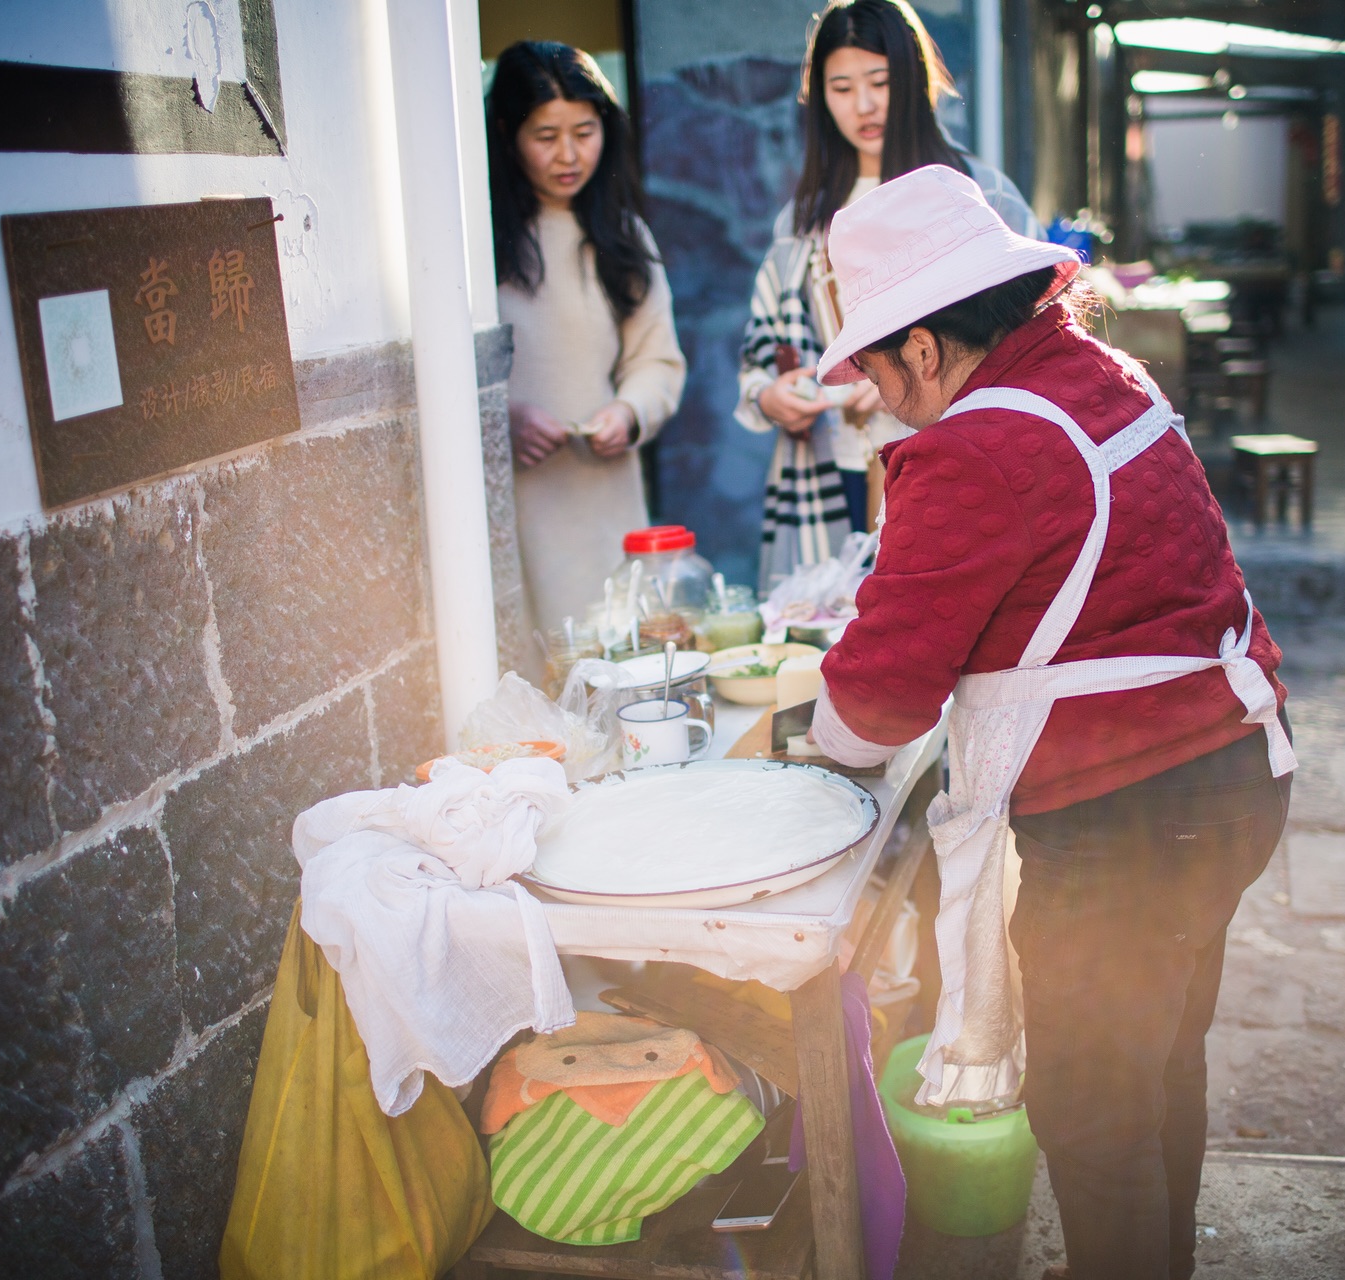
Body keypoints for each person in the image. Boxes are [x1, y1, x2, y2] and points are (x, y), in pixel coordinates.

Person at [806, 165, 1296, 1280]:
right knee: (1159, 1066)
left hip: (1131, 817)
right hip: (1231, 776)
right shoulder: (1095, 372)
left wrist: (816, 733)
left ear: (922, 349)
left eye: (876, 367)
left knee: (1091, 1112)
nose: (876, 396)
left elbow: (870, 710)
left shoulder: (978, 445)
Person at [734, 0, 1038, 588]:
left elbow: (1030, 345)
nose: (865, 105)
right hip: (828, 469)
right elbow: (759, 356)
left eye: (881, 81)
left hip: (953, 465)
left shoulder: (979, 196)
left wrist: (911, 382)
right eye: (842, 87)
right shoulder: (800, 223)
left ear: (916, 79)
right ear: (819, 95)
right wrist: (771, 396)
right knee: (840, 624)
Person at [489, 41, 686, 632]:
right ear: (506, 133)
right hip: (516, 502)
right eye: (545, 137)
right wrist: (501, 420)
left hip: (607, 497)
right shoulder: (477, 241)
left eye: (585, 130)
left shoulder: (623, 236)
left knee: (616, 654)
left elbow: (659, 361)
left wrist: (629, 412)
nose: (569, 155)